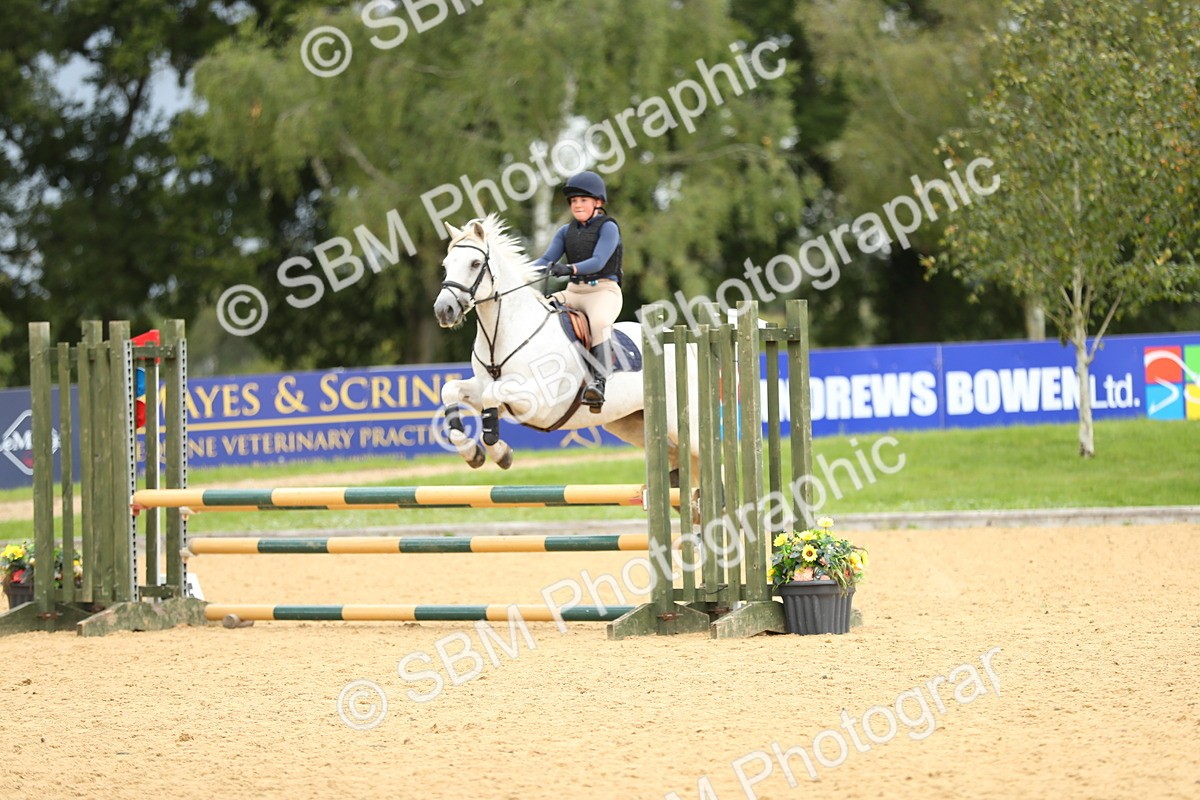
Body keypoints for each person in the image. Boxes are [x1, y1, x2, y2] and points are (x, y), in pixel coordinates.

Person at [532, 170, 623, 408]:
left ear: (598, 202)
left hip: (602, 292)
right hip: (573, 292)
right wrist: (516, 271)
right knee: (538, 309)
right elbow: (545, 261)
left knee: (600, 322)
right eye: (574, 201)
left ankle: (598, 384)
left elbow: (598, 261)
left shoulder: (608, 228)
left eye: (583, 200)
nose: (578, 205)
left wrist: (569, 268)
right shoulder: (565, 232)